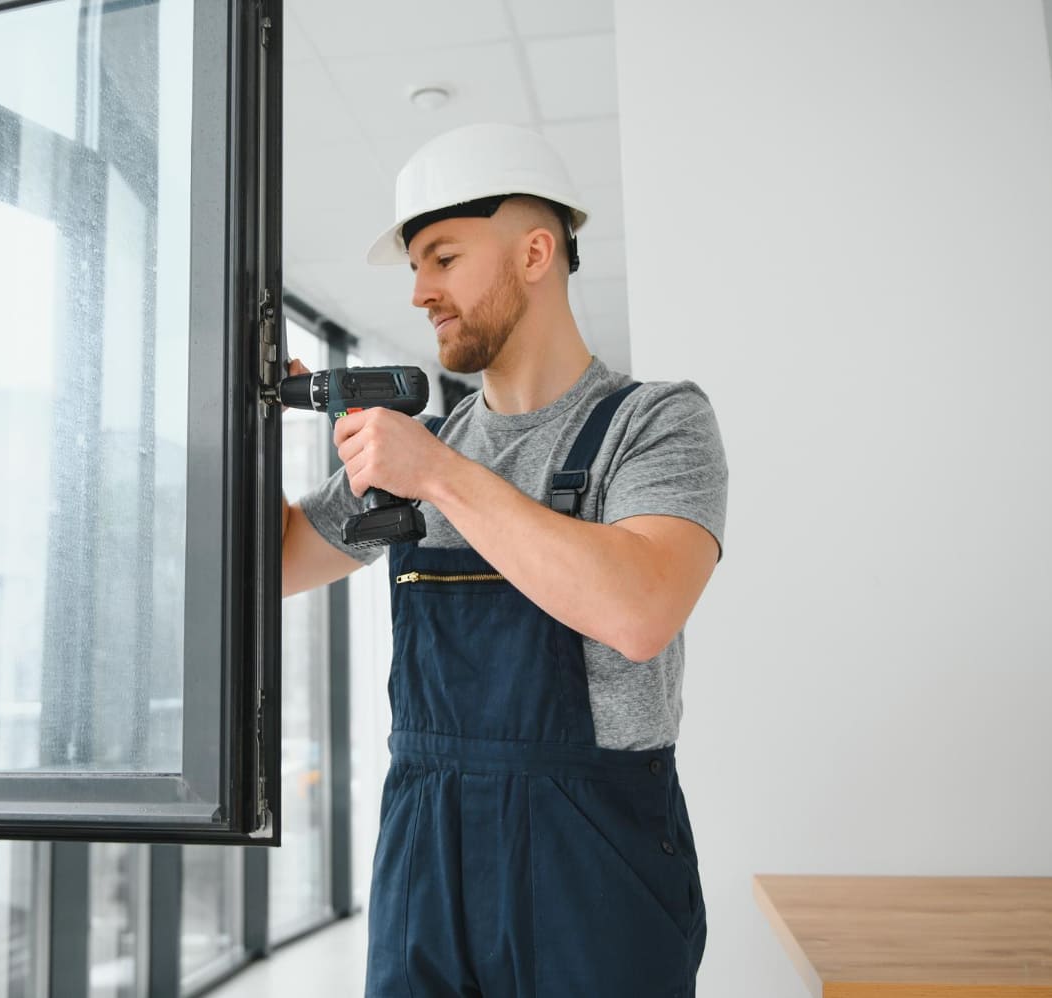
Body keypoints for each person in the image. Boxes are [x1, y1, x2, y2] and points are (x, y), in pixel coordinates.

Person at [281, 122, 727, 997]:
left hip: (593, 868)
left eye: (443, 258)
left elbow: (640, 610)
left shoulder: (655, 422)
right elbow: (275, 568)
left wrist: (440, 477)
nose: (420, 292)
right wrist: (237, 412)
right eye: (415, 268)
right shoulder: (419, 449)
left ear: (535, 253)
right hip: (426, 854)